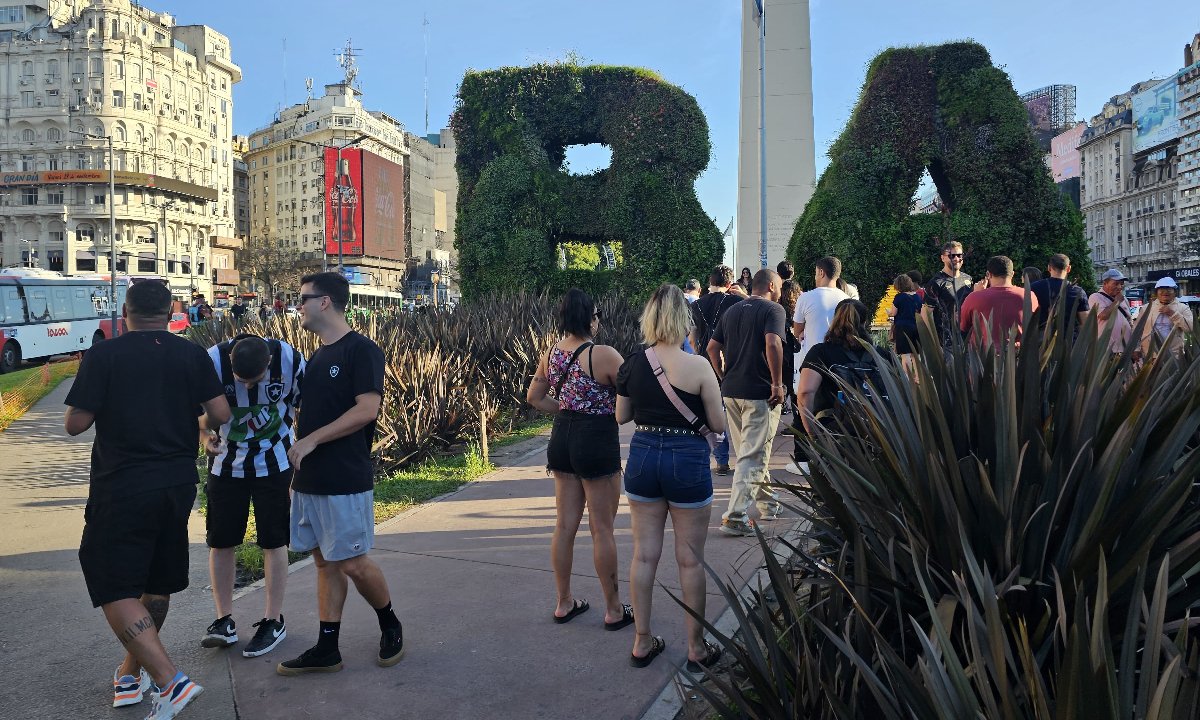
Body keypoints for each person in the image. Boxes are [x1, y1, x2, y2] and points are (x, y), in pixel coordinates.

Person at [65, 279, 230, 719]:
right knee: (154, 584)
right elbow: (221, 414)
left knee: (109, 579)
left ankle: (170, 681)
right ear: (172, 310)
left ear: (126, 312)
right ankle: (129, 674)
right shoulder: (191, 354)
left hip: (122, 485)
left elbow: (75, 424)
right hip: (177, 485)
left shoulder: (104, 355)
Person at [277, 271, 403, 675]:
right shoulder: (316, 355)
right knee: (323, 563)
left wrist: (312, 440)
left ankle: (390, 622)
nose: (298, 306)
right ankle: (327, 647)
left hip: (344, 477)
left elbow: (368, 409)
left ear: (326, 301)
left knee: (353, 562)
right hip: (308, 479)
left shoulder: (360, 350)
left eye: (303, 299)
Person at [615, 284, 726, 671]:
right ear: (684, 319)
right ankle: (696, 648)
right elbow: (717, 423)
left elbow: (621, 416)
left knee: (644, 554)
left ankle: (642, 641)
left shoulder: (632, 363)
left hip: (644, 455)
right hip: (686, 460)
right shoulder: (698, 367)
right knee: (690, 561)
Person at [525, 289, 632, 630]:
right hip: (596, 439)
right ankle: (614, 610)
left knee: (564, 526)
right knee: (602, 529)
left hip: (562, 439)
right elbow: (631, 399)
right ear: (590, 318)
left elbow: (534, 397)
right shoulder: (604, 354)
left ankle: (564, 602)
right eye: (597, 315)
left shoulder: (552, 352)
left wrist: (567, 409)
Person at [200, 334, 304, 659]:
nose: (246, 387)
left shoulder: (292, 361)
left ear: (269, 365)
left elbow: (308, 405)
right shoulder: (211, 361)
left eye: (254, 380)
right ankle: (223, 620)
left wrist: (304, 445)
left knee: (274, 541)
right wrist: (204, 437)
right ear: (230, 361)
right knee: (221, 541)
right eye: (239, 380)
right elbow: (193, 413)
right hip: (225, 464)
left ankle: (273, 620)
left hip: (275, 463)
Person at [707, 269, 786, 535]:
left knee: (748, 453)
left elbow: (711, 347)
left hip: (732, 390)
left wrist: (722, 375)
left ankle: (768, 505)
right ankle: (735, 517)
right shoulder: (773, 310)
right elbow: (773, 343)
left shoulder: (732, 311)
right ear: (773, 286)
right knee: (753, 454)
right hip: (759, 390)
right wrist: (777, 383)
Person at [787, 257, 849, 476]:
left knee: (804, 406)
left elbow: (797, 330)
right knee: (836, 410)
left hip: (813, 361)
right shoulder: (846, 297)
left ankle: (804, 456)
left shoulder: (807, 297)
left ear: (821, 272)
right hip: (840, 362)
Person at [796, 299, 894, 437]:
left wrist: (812, 431)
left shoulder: (820, 352)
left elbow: (805, 392)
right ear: (864, 323)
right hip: (879, 434)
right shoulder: (882, 355)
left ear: (835, 319)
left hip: (836, 434)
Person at [690, 265, 742, 475]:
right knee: (737, 412)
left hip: (704, 360)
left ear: (709, 282)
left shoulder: (697, 305)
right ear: (729, 284)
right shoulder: (736, 302)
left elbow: (692, 338)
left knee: (710, 412)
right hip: (731, 360)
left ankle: (721, 460)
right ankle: (744, 458)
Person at [959, 255, 1039, 348]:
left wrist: (976, 294)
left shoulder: (974, 297)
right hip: (1018, 355)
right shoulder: (1029, 296)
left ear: (989, 274)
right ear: (1012, 274)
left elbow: (963, 327)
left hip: (983, 357)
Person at [922, 241, 973, 355]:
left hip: (968, 339)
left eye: (959, 255)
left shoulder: (968, 279)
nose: (956, 258)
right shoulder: (936, 283)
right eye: (951, 255)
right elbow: (926, 313)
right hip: (946, 342)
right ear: (943, 258)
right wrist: (934, 342)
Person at [1029, 254, 1088, 333]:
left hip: (1040, 340)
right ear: (1069, 269)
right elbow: (1085, 322)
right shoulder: (1078, 291)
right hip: (1068, 341)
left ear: (1049, 268)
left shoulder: (1034, 287)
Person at [1140, 277, 1194, 355]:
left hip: (1174, 356)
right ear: (1156, 292)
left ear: (1175, 292)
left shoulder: (1183, 308)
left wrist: (1173, 314)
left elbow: (1190, 328)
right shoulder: (1146, 308)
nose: (1165, 292)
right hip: (1149, 355)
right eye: (1161, 289)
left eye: (1169, 289)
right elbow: (1137, 330)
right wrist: (1136, 349)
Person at [1089, 269, 1135, 356]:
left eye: (1121, 284)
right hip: (1107, 349)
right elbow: (1103, 315)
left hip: (1126, 348)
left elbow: (1129, 319)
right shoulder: (1096, 297)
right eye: (1116, 283)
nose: (1119, 287)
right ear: (1105, 283)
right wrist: (1116, 302)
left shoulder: (1123, 299)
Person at [887, 273, 922, 367]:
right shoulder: (917, 297)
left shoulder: (899, 297)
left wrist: (888, 312)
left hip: (902, 328)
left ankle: (907, 377)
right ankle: (919, 377)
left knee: (905, 354)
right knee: (916, 354)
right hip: (916, 327)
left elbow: (893, 313)